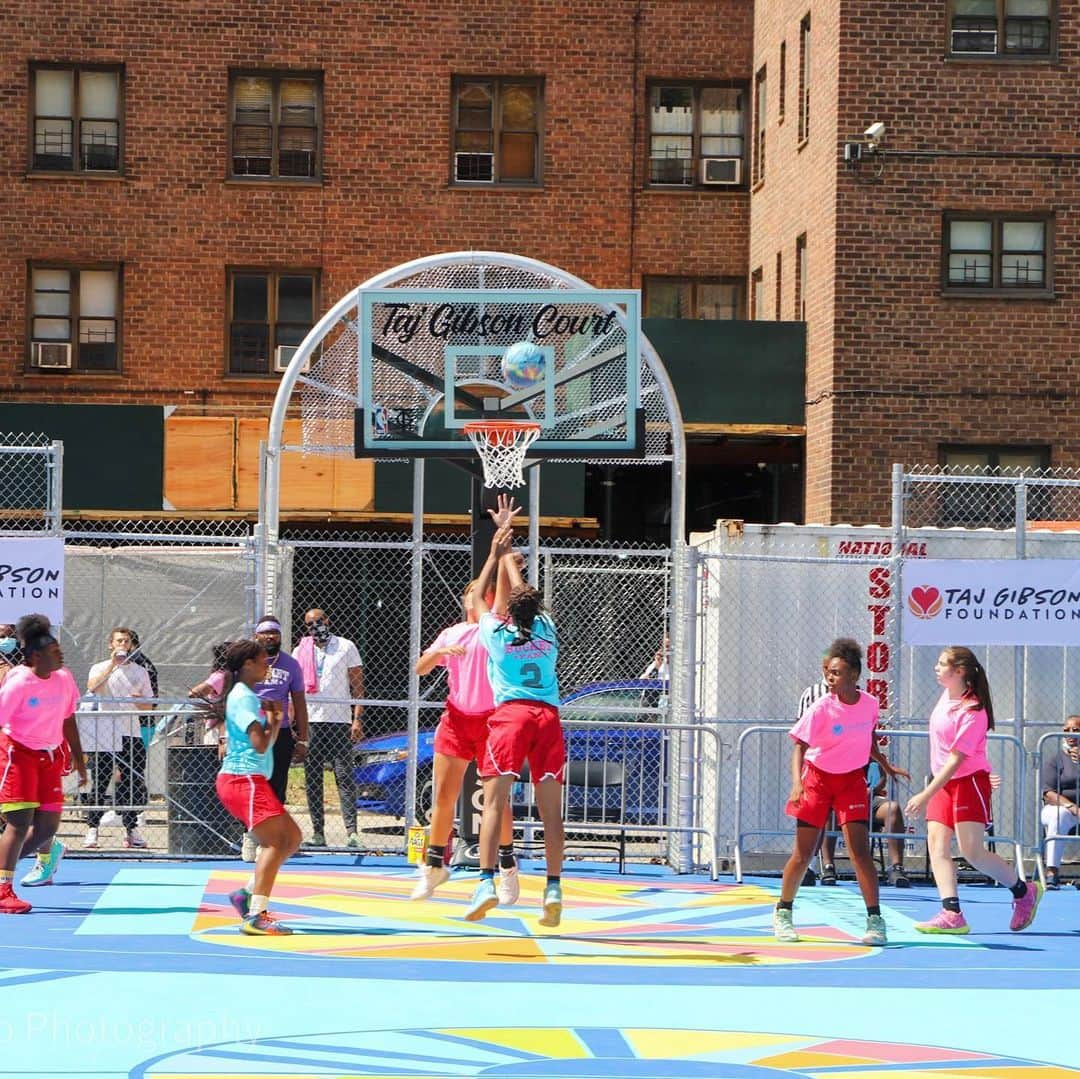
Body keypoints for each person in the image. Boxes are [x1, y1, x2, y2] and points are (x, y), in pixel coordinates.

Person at [411, 493, 521, 903]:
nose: (474, 599)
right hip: (457, 720)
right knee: (443, 796)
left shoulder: (499, 629)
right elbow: (421, 668)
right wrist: (438, 653)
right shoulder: (453, 634)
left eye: (482, 594)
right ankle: (434, 865)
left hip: (493, 723)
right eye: (470, 594)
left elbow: (502, 585)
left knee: (497, 803)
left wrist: (500, 541)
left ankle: (507, 866)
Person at [773, 638, 909, 948]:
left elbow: (867, 738)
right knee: (803, 853)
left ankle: (875, 920)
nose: (830, 678)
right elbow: (799, 746)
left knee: (860, 852)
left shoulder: (870, 704)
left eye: (837, 672)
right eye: (828, 672)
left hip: (851, 782)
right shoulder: (821, 707)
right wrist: (797, 783)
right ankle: (783, 911)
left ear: (854, 675)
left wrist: (886, 765)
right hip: (818, 780)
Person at [465, 526, 566, 928]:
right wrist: (512, 559)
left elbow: (475, 597)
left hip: (512, 715)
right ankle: (554, 886)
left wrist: (496, 550)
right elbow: (525, 594)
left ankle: (486, 881)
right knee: (551, 812)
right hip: (548, 717)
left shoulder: (496, 633)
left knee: (493, 803)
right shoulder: (547, 629)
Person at [905, 646, 1043, 934]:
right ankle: (952, 912)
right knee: (937, 844)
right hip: (942, 782)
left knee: (972, 851)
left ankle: (1023, 891)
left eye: (943, 664)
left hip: (967, 782)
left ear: (959, 672)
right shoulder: (947, 696)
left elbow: (957, 759)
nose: (936, 668)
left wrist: (925, 793)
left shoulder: (974, 710)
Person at [0, 614, 87, 913]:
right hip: (18, 753)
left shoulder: (64, 678)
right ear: (36, 656)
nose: (61, 654)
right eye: (54, 651)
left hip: (48, 755)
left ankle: (1, 873)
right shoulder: (19, 682)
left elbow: (68, 717)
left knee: (47, 828)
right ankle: (3, 890)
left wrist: (78, 757)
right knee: (19, 822)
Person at [215, 639, 302, 935]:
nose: (268, 664)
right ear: (248, 665)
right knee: (275, 843)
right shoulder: (243, 697)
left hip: (251, 780)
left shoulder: (247, 694)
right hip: (243, 779)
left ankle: (246, 894)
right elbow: (261, 744)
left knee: (292, 837)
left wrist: (274, 720)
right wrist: (276, 720)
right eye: (263, 660)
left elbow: (263, 742)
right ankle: (256, 916)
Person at [293, 609, 362, 848]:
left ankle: (352, 833)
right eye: (310, 623)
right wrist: (295, 724)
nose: (315, 626)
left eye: (319, 621)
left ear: (328, 621)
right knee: (313, 777)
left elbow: (358, 688)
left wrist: (357, 719)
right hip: (311, 720)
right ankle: (317, 833)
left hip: (339, 720)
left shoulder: (345, 646)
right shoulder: (301, 650)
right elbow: (295, 692)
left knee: (343, 775)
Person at [83, 627, 153, 848]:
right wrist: (113, 665)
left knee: (131, 781)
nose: (123, 645)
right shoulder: (100, 667)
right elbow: (92, 687)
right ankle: (93, 829)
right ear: (110, 644)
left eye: (127, 641)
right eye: (119, 641)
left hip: (130, 731)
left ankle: (130, 829)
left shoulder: (140, 671)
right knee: (101, 780)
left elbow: (148, 705)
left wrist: (138, 699)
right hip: (105, 732)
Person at [248, 617, 309, 862]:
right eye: (265, 633)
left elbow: (299, 702)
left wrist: (303, 738)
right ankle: (250, 837)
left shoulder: (291, 665)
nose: (270, 637)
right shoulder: (248, 664)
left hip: (280, 731)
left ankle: (272, 839)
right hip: (250, 729)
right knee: (252, 784)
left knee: (277, 786)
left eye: (274, 633)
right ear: (256, 636)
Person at [1040, 714, 1080, 890]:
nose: (1070, 734)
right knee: (1059, 816)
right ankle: (1052, 872)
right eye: (1066, 731)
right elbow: (1048, 793)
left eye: (1076, 730)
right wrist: (1072, 807)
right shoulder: (1055, 760)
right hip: (1061, 807)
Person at [188, 641, 233, 747]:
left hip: (226, 729)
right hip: (219, 729)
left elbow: (192, 693)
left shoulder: (225, 676)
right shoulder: (221, 677)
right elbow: (193, 693)